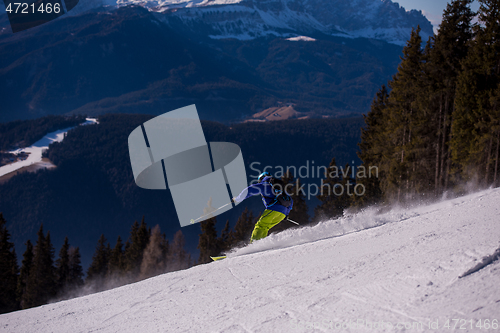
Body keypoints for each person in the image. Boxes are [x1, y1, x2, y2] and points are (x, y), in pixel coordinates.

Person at [233, 172, 293, 242]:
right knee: (265, 227)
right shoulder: (280, 188)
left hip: (274, 209)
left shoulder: (265, 184)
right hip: (282, 214)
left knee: (260, 226)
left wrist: (238, 199)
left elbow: (250, 190)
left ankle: (254, 245)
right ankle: (261, 243)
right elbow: (290, 200)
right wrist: (286, 213)